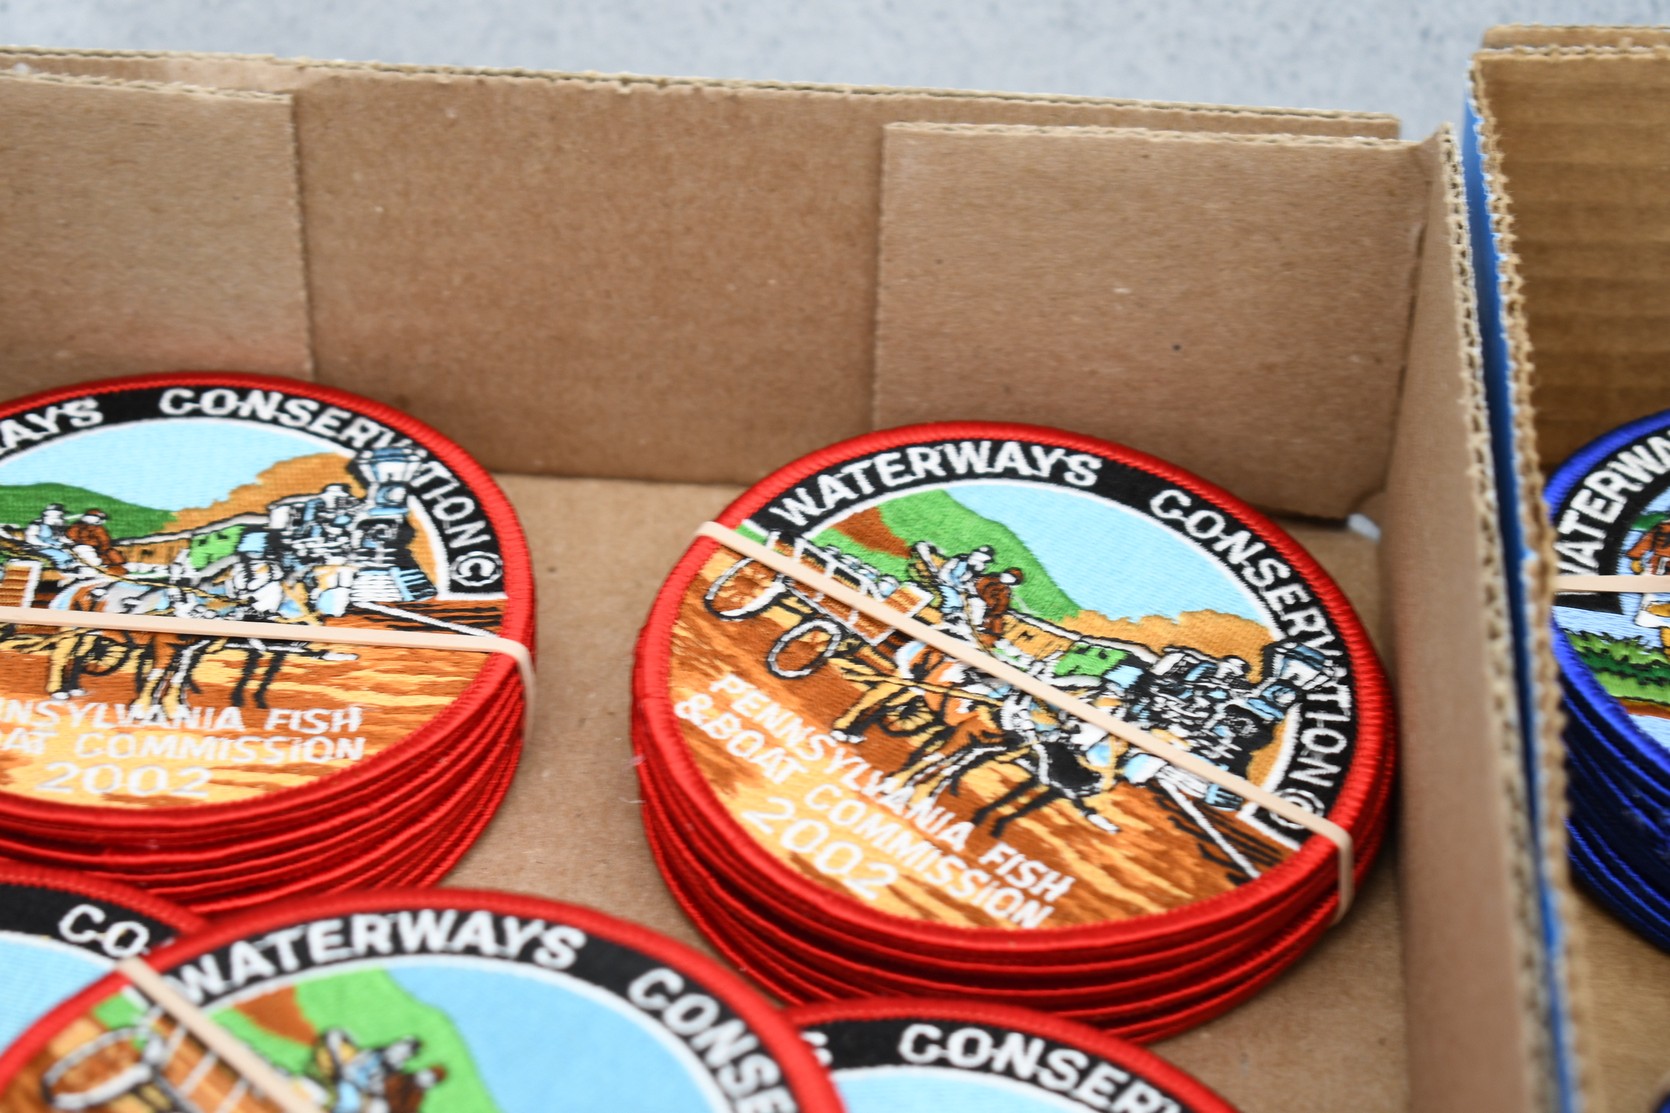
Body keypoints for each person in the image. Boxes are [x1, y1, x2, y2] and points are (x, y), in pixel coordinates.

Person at [65, 508, 126, 575]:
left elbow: (104, 541)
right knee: (92, 557)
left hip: (97, 549)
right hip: (82, 548)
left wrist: (102, 547)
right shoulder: (77, 526)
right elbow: (72, 536)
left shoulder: (98, 528)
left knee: (110, 553)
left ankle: (116, 567)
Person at [24, 503, 75, 569]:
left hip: (55, 547)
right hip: (39, 548)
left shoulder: (59, 525)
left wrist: (69, 542)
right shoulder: (37, 524)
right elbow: (30, 538)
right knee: (63, 557)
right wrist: (43, 544)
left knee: (73, 556)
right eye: (60, 514)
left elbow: (60, 537)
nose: (62, 516)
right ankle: (61, 571)